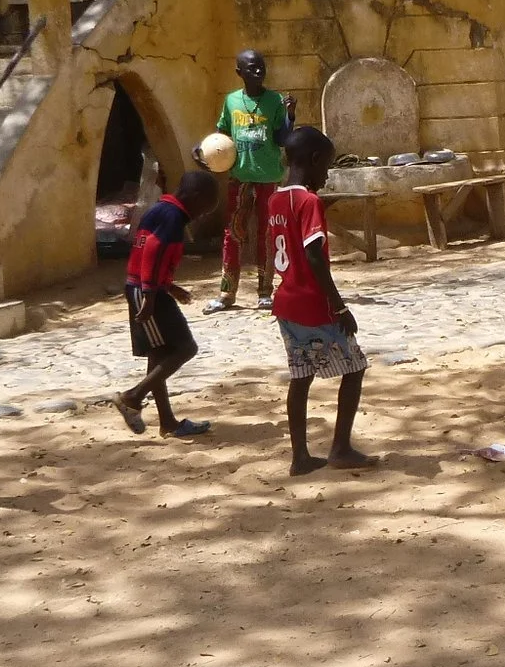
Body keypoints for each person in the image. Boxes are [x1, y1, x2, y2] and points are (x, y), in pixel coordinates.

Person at [267, 125, 376, 476]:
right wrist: (339, 305)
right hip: (314, 304)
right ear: (313, 160)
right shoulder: (308, 201)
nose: (327, 175)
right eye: (326, 167)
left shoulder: (275, 199)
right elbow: (314, 255)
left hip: (286, 303)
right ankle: (340, 448)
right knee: (355, 368)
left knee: (301, 377)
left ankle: (300, 456)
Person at [115, 166, 222, 438]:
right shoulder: (173, 217)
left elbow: (147, 252)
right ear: (195, 197)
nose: (205, 213)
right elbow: (152, 252)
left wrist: (170, 287)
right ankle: (132, 397)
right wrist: (151, 296)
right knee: (185, 347)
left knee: (159, 354)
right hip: (146, 292)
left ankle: (168, 422)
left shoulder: (161, 210)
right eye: (207, 206)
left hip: (147, 288)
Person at [208, 49, 294, 313]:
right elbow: (222, 137)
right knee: (233, 234)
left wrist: (291, 116)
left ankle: (265, 292)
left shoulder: (275, 101)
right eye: (251, 68)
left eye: (261, 67)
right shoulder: (231, 101)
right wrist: (206, 151)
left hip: (268, 178)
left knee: (267, 235)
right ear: (239, 73)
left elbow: (282, 139)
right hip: (240, 178)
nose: (258, 71)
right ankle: (226, 292)